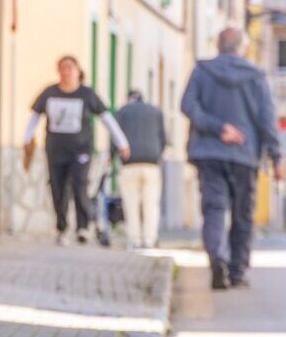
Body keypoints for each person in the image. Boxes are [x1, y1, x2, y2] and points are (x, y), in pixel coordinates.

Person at [180, 28, 285, 290]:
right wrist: (277, 157)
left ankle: (217, 257)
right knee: (243, 216)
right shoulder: (256, 76)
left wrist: (217, 128)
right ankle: (237, 271)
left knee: (213, 209)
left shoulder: (202, 71)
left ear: (218, 44)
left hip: (209, 153)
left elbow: (188, 105)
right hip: (244, 156)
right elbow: (266, 120)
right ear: (243, 47)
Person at [23, 56, 132, 245]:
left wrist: (121, 142)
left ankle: (83, 227)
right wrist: (26, 138)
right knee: (58, 188)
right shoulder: (49, 92)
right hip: (55, 149)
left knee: (80, 184)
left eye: (70, 68)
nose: (66, 72)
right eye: (62, 68)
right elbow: (35, 116)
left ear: (78, 71)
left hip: (81, 149)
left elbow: (106, 118)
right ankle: (62, 228)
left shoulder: (87, 94)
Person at [113, 90, 168, 249]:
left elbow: (116, 137)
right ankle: (150, 239)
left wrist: (112, 155)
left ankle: (134, 239)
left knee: (131, 203)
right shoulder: (156, 112)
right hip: (151, 163)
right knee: (151, 203)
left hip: (129, 162)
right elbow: (163, 138)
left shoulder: (122, 112)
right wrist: (157, 154)